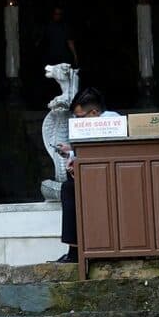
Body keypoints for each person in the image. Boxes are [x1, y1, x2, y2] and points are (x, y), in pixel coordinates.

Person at [54, 87, 116, 264]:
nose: (77, 122)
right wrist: (72, 154)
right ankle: (74, 249)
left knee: (68, 189)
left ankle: (74, 251)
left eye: (80, 117)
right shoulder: (91, 125)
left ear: (94, 112)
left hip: (109, 180)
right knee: (69, 186)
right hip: (94, 178)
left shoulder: (111, 122)